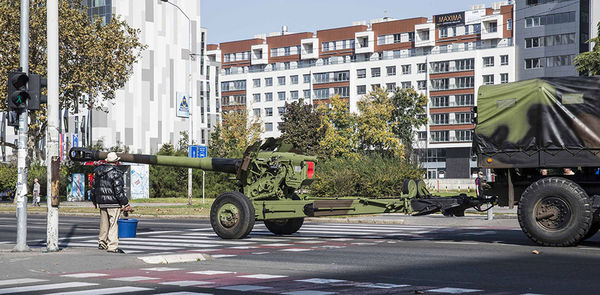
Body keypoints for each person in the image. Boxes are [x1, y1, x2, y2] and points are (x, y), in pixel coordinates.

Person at [91, 152, 131, 254]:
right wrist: (125, 203)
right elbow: (118, 191)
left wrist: (94, 200)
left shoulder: (98, 172)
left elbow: (93, 188)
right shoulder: (116, 173)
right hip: (113, 203)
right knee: (113, 224)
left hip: (102, 202)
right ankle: (112, 246)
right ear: (116, 161)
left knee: (104, 223)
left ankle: (102, 242)